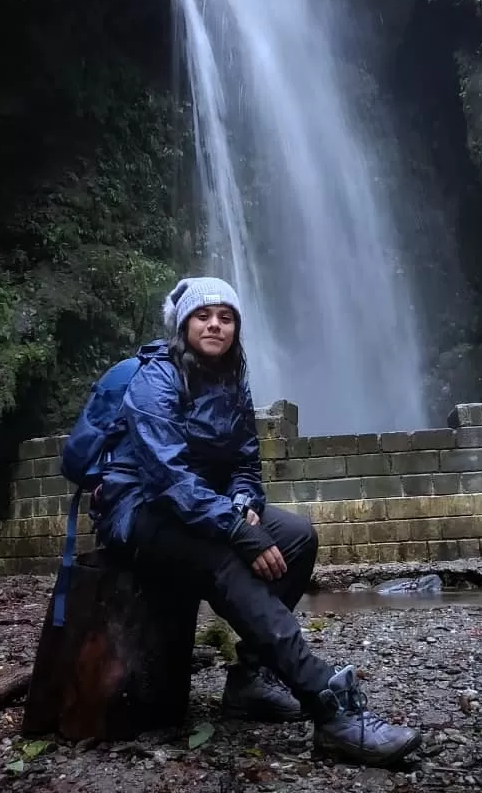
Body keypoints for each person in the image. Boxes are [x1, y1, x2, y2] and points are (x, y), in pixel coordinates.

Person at [92, 276, 421, 766]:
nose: (215, 325)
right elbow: (169, 479)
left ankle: (251, 678)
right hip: (139, 510)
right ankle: (327, 704)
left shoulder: (231, 384)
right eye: (203, 315)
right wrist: (236, 528)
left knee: (297, 537)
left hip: (207, 508)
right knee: (224, 557)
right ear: (183, 324)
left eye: (226, 317)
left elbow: (245, 463)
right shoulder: (155, 379)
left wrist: (244, 503)